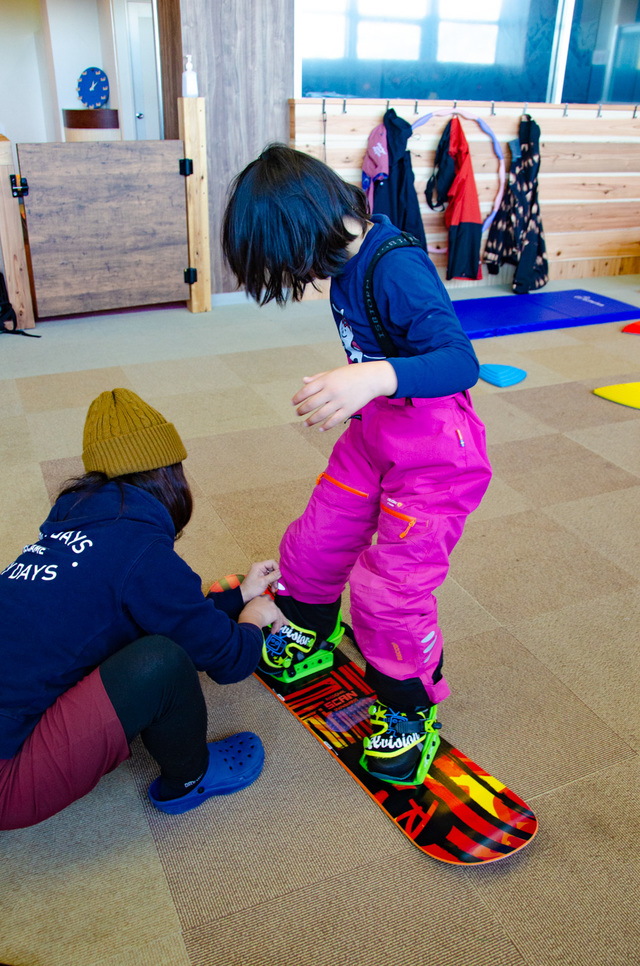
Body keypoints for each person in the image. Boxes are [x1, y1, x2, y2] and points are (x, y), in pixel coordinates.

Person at [222, 144, 492, 786]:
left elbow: (461, 361)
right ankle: (311, 633)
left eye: (277, 262)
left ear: (299, 231)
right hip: (379, 434)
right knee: (313, 544)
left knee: (387, 590)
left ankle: (410, 710)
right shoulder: (342, 254)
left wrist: (372, 376)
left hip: (437, 454)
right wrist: (357, 391)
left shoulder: (396, 266)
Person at [0, 388, 283, 830]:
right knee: (162, 661)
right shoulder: (143, 552)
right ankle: (191, 778)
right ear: (170, 476)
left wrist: (238, 594)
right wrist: (252, 620)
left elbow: (155, 608)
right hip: (6, 777)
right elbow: (230, 663)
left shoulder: (70, 528)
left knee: (131, 628)